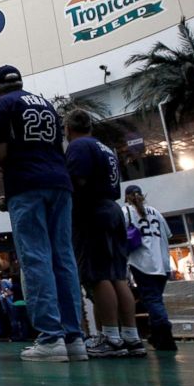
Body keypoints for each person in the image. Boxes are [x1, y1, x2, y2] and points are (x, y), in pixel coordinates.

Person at [0, 65, 83, 362]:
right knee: (63, 257)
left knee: (35, 256)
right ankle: (74, 338)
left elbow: (0, 153)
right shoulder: (46, 104)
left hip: (28, 184)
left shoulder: (3, 104)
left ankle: (50, 338)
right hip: (59, 184)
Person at [64, 110, 144, 359]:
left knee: (98, 275)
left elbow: (77, 180)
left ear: (68, 129)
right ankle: (131, 336)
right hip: (112, 209)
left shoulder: (78, 147)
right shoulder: (106, 148)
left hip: (91, 212)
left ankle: (111, 337)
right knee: (117, 275)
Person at [123, 185, 177, 351]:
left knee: (152, 300)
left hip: (142, 261)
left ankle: (165, 335)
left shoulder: (126, 211)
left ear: (126, 197)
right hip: (162, 262)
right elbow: (167, 234)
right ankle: (156, 335)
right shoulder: (155, 212)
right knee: (155, 299)